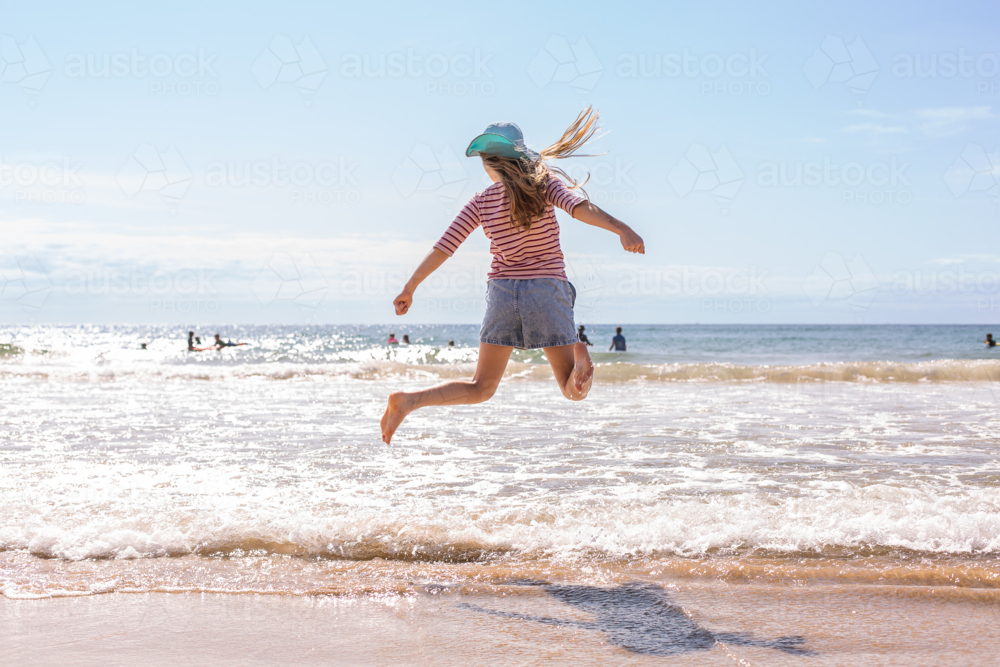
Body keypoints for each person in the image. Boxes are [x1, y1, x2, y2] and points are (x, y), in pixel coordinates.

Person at [380, 108, 644, 444]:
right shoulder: (545, 186)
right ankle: (579, 367)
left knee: (482, 387)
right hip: (546, 289)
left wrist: (410, 287)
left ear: (489, 163)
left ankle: (409, 400)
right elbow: (578, 208)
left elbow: (445, 246)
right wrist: (622, 228)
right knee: (571, 391)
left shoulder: (480, 201)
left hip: (503, 295)